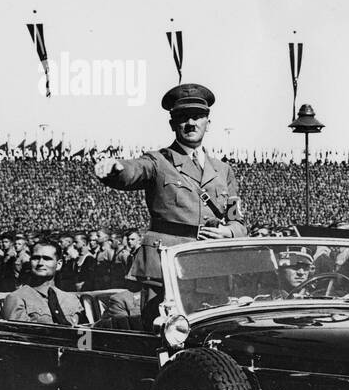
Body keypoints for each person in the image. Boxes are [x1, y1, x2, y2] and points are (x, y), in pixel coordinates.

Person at [94, 83, 245, 296]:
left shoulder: (223, 171)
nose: (191, 123)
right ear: (172, 124)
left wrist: (229, 231)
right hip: (165, 268)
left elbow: (237, 220)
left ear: (208, 123)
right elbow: (134, 170)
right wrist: (116, 169)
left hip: (211, 267)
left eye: (197, 116)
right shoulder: (158, 161)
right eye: (184, 117)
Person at [2, 240, 87, 325]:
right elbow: (19, 335)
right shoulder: (17, 298)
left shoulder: (72, 299)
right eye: (36, 258)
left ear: (59, 264)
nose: (40, 263)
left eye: (47, 259)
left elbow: (86, 334)